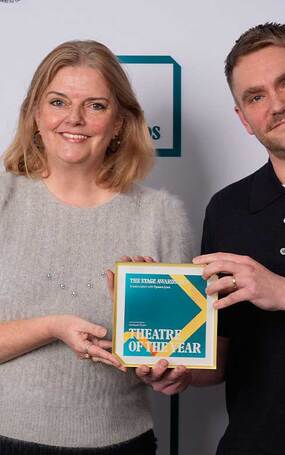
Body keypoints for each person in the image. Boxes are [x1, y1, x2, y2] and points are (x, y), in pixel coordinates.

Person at [135, 23, 285, 455]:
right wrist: (182, 370)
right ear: (243, 118)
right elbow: (222, 356)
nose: (278, 105)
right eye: (256, 96)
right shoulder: (227, 208)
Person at [0, 40, 191, 454]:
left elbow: (177, 360)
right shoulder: (3, 199)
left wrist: (167, 372)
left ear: (120, 122)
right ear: (35, 114)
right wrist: (51, 327)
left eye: (96, 106)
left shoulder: (160, 215)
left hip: (123, 443)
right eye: (58, 102)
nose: (74, 119)